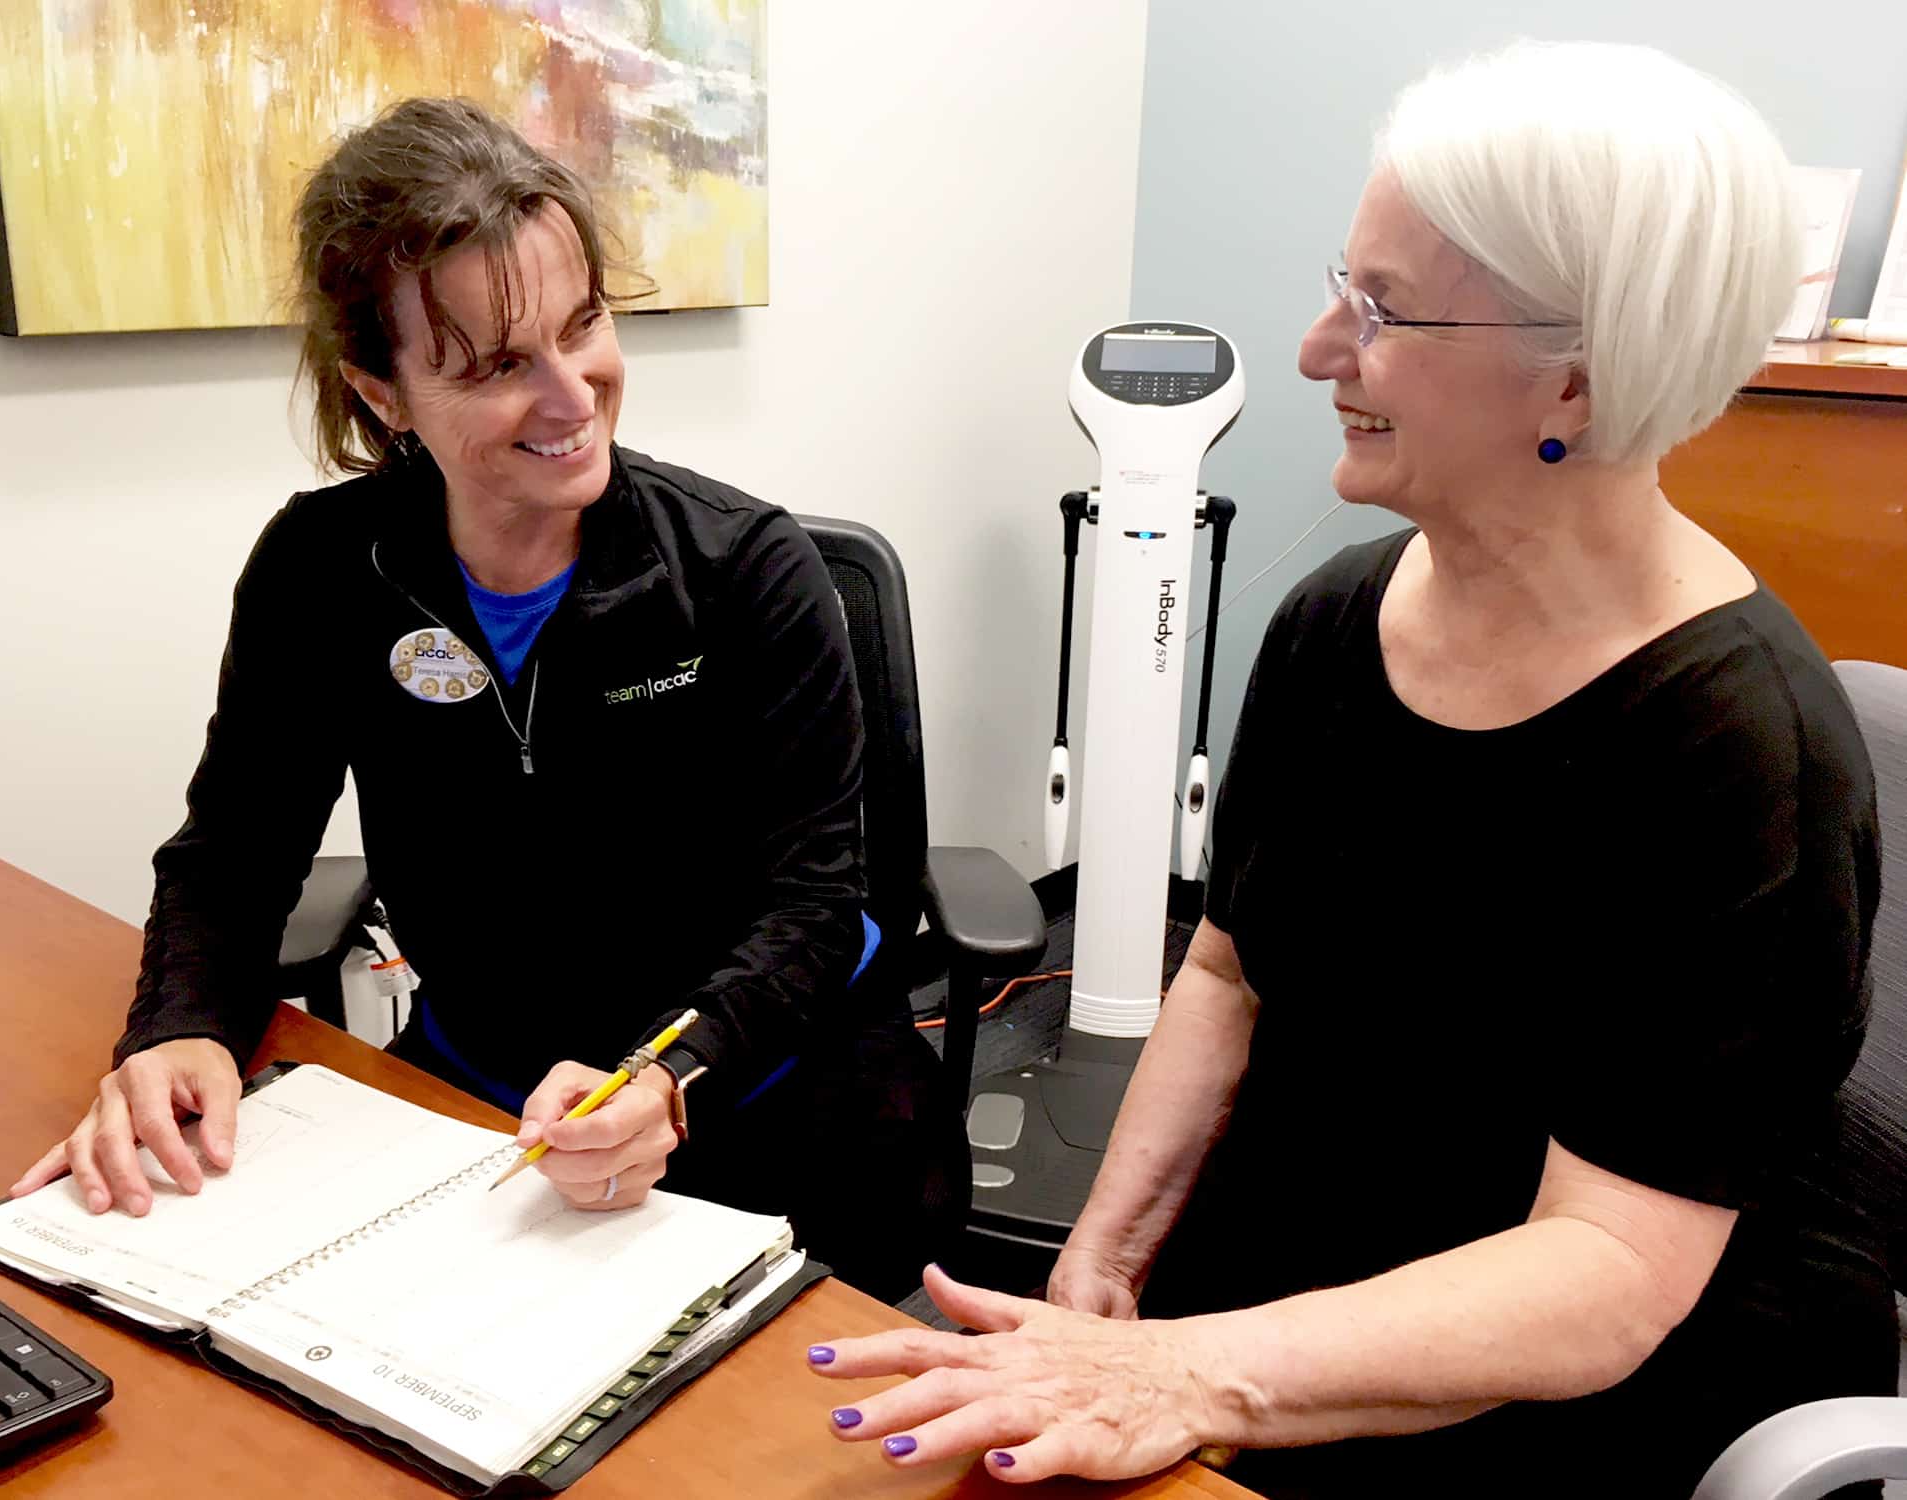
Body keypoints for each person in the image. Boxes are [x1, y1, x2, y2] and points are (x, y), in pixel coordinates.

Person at [808, 41, 1893, 1494]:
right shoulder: (1336, 620)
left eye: (1382, 311)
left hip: (1554, 1380)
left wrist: (1187, 1372)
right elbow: (1225, 972)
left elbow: (1611, 1267)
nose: (1320, 349)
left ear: (1579, 375)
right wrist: (1103, 1270)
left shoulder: (1745, 749)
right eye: (1344, 285)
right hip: (1286, 1294)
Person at [11, 97, 966, 1302]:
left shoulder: (745, 570)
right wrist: (179, 1027)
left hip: (761, 1085)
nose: (574, 398)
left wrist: (666, 1079)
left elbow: (816, 905)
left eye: (584, 325)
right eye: (502, 365)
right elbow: (236, 850)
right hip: (481, 1093)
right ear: (383, 392)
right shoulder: (324, 572)